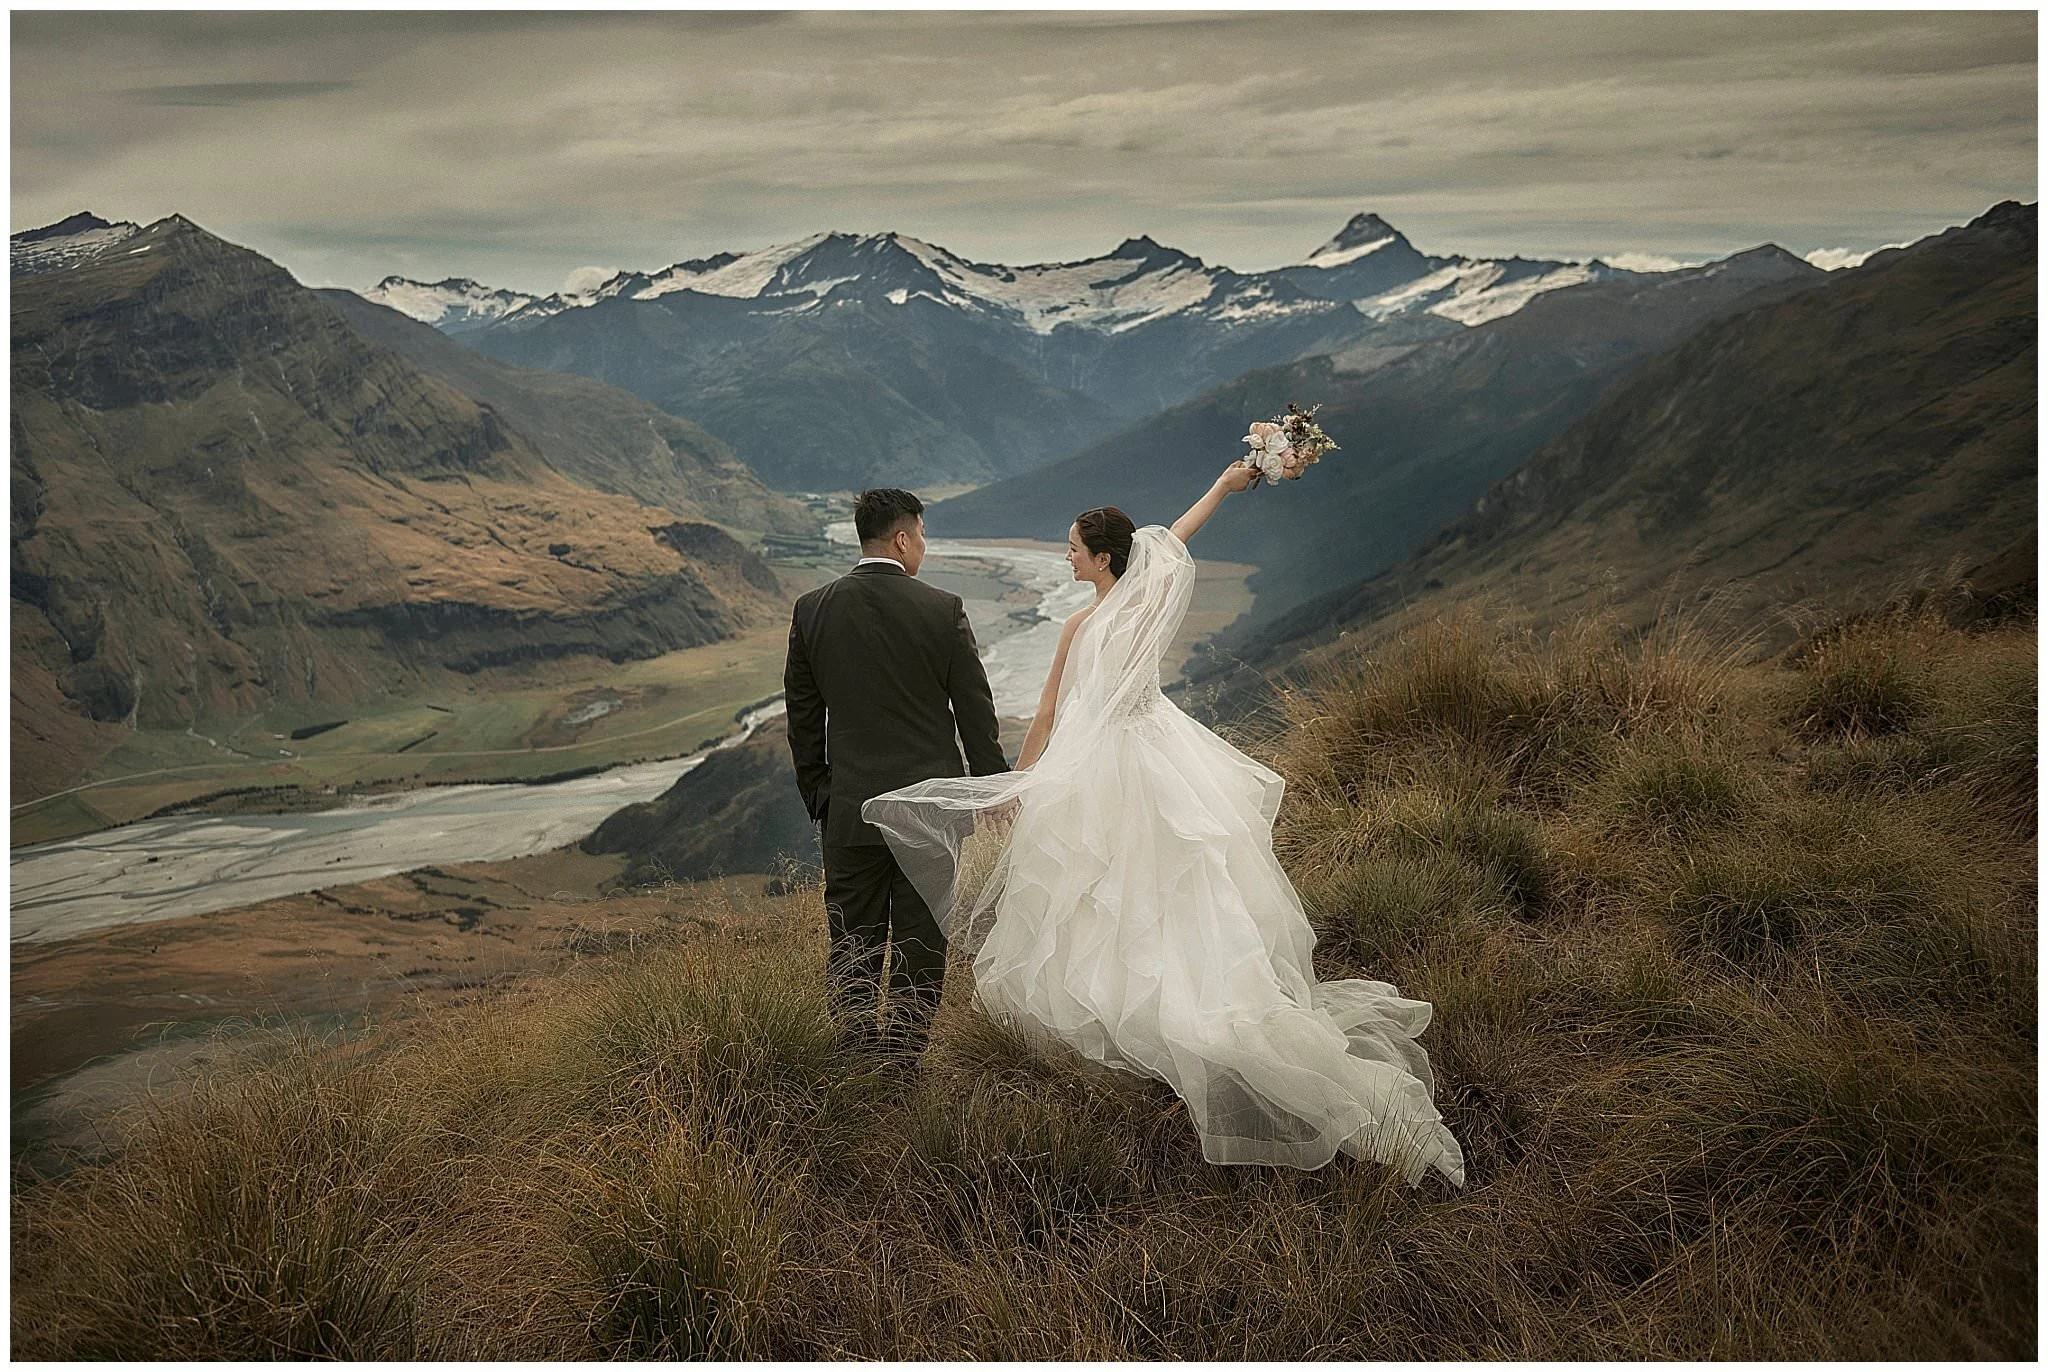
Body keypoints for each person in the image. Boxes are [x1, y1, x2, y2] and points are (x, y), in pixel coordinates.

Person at [863, 459, 1468, 1185]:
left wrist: (1019, 782)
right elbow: (1166, 553)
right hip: (1142, 760)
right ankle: (1159, 1007)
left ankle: (1131, 1017)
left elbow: (1055, 707)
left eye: (1073, 548)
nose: (1065, 555)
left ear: (1102, 559)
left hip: (1112, 770)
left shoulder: (1086, 623)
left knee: (1107, 891)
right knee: (1152, 887)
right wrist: (1220, 484)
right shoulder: (1132, 608)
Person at [783, 487, 1008, 1056]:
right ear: (903, 539)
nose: (924, 548)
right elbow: (974, 711)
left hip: (850, 806)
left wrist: (821, 793)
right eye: (923, 537)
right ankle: (903, 1065)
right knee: (921, 943)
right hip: (929, 813)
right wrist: (988, 788)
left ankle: (856, 1060)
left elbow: (803, 716)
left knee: (852, 942)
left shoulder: (812, 608)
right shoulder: (943, 609)